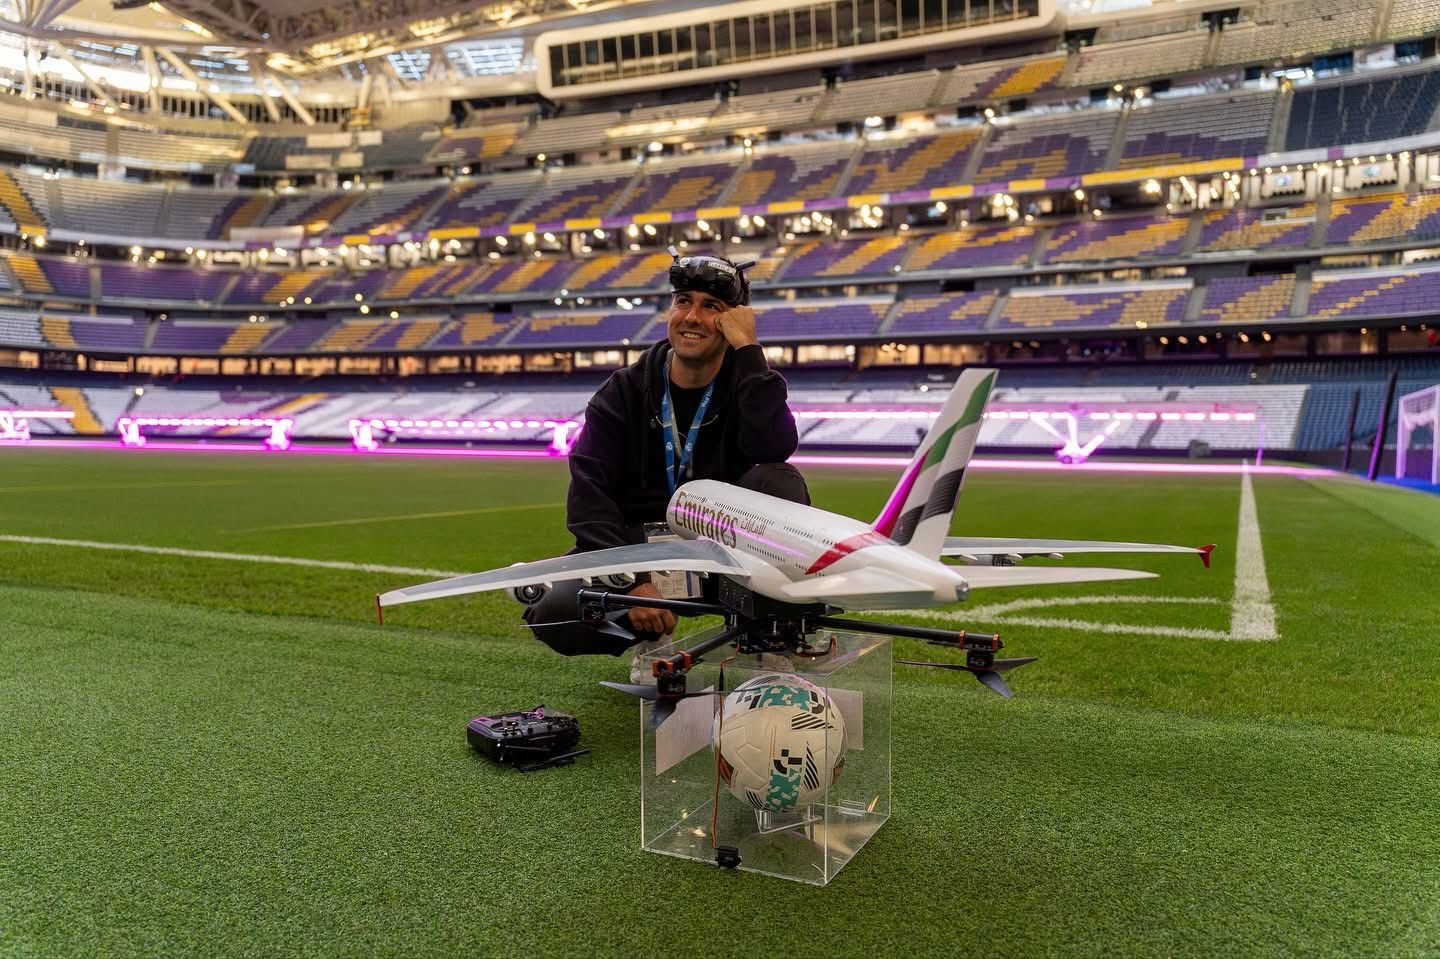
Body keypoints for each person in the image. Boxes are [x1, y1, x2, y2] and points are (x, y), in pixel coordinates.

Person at [523, 250, 810, 664]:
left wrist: (748, 348)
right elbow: (590, 497)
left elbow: (774, 451)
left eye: (711, 307)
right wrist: (632, 579)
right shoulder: (622, 391)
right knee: (555, 610)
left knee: (779, 481)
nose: (692, 317)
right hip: (643, 549)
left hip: (725, 551)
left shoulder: (749, 382)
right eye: (683, 301)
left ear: (733, 319)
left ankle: (764, 636)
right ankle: (647, 637)